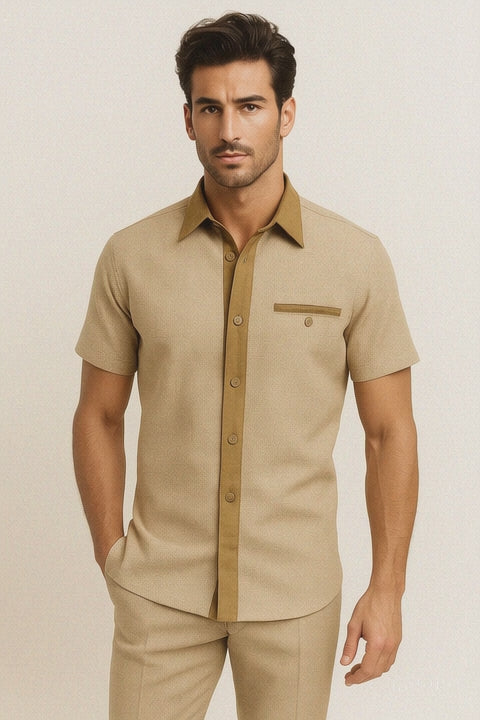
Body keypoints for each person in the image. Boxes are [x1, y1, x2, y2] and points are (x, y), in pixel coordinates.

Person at [73, 12, 419, 720]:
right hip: (159, 592)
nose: (229, 128)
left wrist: (388, 588)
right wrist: (114, 556)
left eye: (250, 106)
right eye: (210, 108)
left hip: (295, 596)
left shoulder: (355, 259)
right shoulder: (130, 257)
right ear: (188, 120)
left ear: (286, 114)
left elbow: (389, 433)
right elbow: (98, 415)